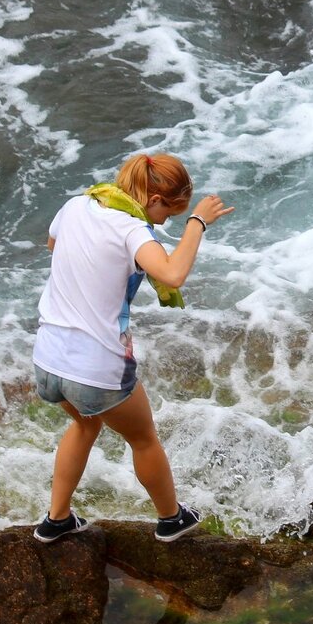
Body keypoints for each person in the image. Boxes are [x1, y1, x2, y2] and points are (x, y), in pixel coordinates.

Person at [31, 152, 234, 543]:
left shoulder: (77, 204)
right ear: (154, 200)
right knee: (143, 439)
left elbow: (53, 243)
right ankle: (171, 519)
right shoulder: (132, 231)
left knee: (84, 424)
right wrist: (198, 223)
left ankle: (56, 519)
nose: (165, 221)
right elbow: (173, 273)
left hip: (49, 357)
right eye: (170, 213)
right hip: (96, 366)